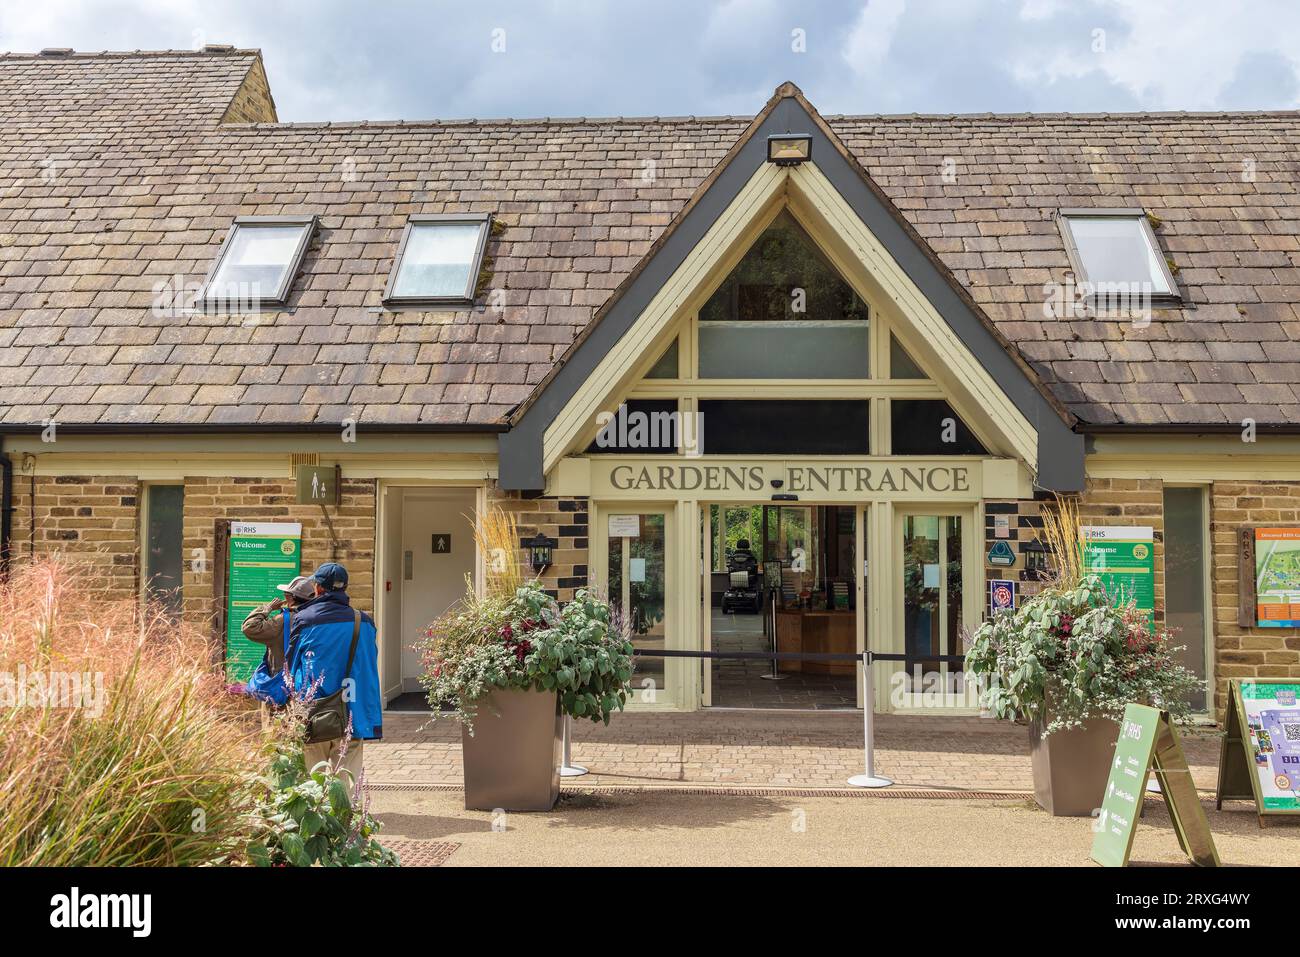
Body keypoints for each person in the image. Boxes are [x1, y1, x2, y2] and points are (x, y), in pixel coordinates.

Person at [287, 562, 381, 787]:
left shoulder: (304, 620)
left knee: (313, 784)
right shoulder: (364, 622)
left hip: (315, 714)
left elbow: (291, 666)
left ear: (318, 589)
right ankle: (347, 820)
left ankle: (320, 821)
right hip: (353, 712)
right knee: (347, 783)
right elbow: (368, 663)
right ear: (345, 588)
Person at [241, 575, 317, 705]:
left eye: (286, 594)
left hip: (282, 690)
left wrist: (267, 608)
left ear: (291, 598)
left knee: (276, 723)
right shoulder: (318, 618)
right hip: (309, 688)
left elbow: (249, 627)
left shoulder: (282, 621)